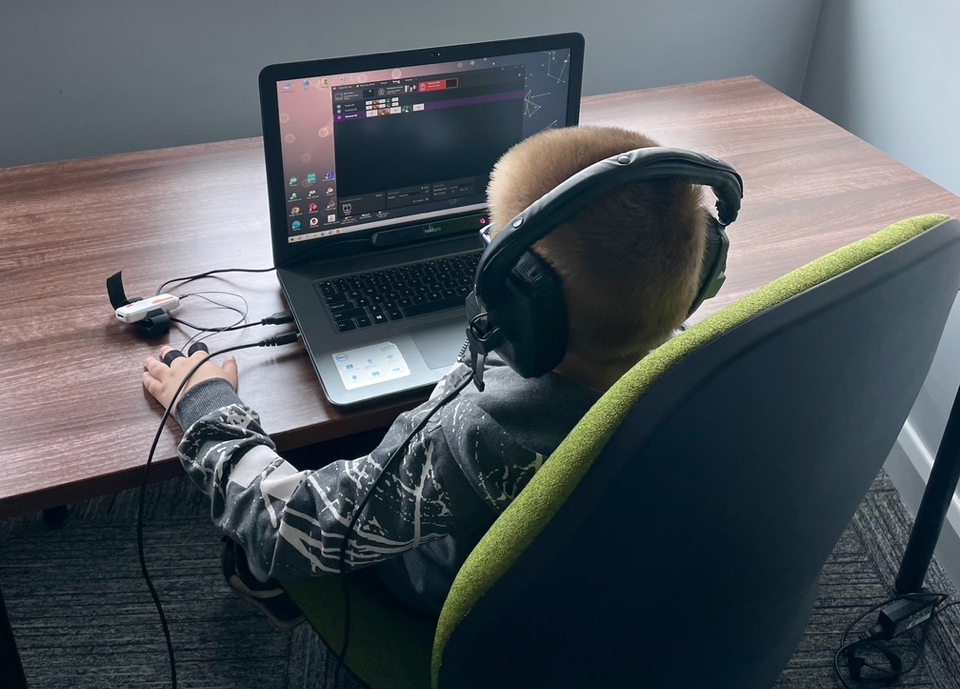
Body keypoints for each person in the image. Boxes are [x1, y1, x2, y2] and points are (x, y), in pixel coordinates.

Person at [142, 125, 709, 625]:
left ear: (517, 296)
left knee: (266, 535)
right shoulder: (709, 369)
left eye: (492, 245)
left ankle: (265, 588)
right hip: (617, 594)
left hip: (467, 605)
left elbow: (284, 526)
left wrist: (205, 405)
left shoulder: (478, 435)